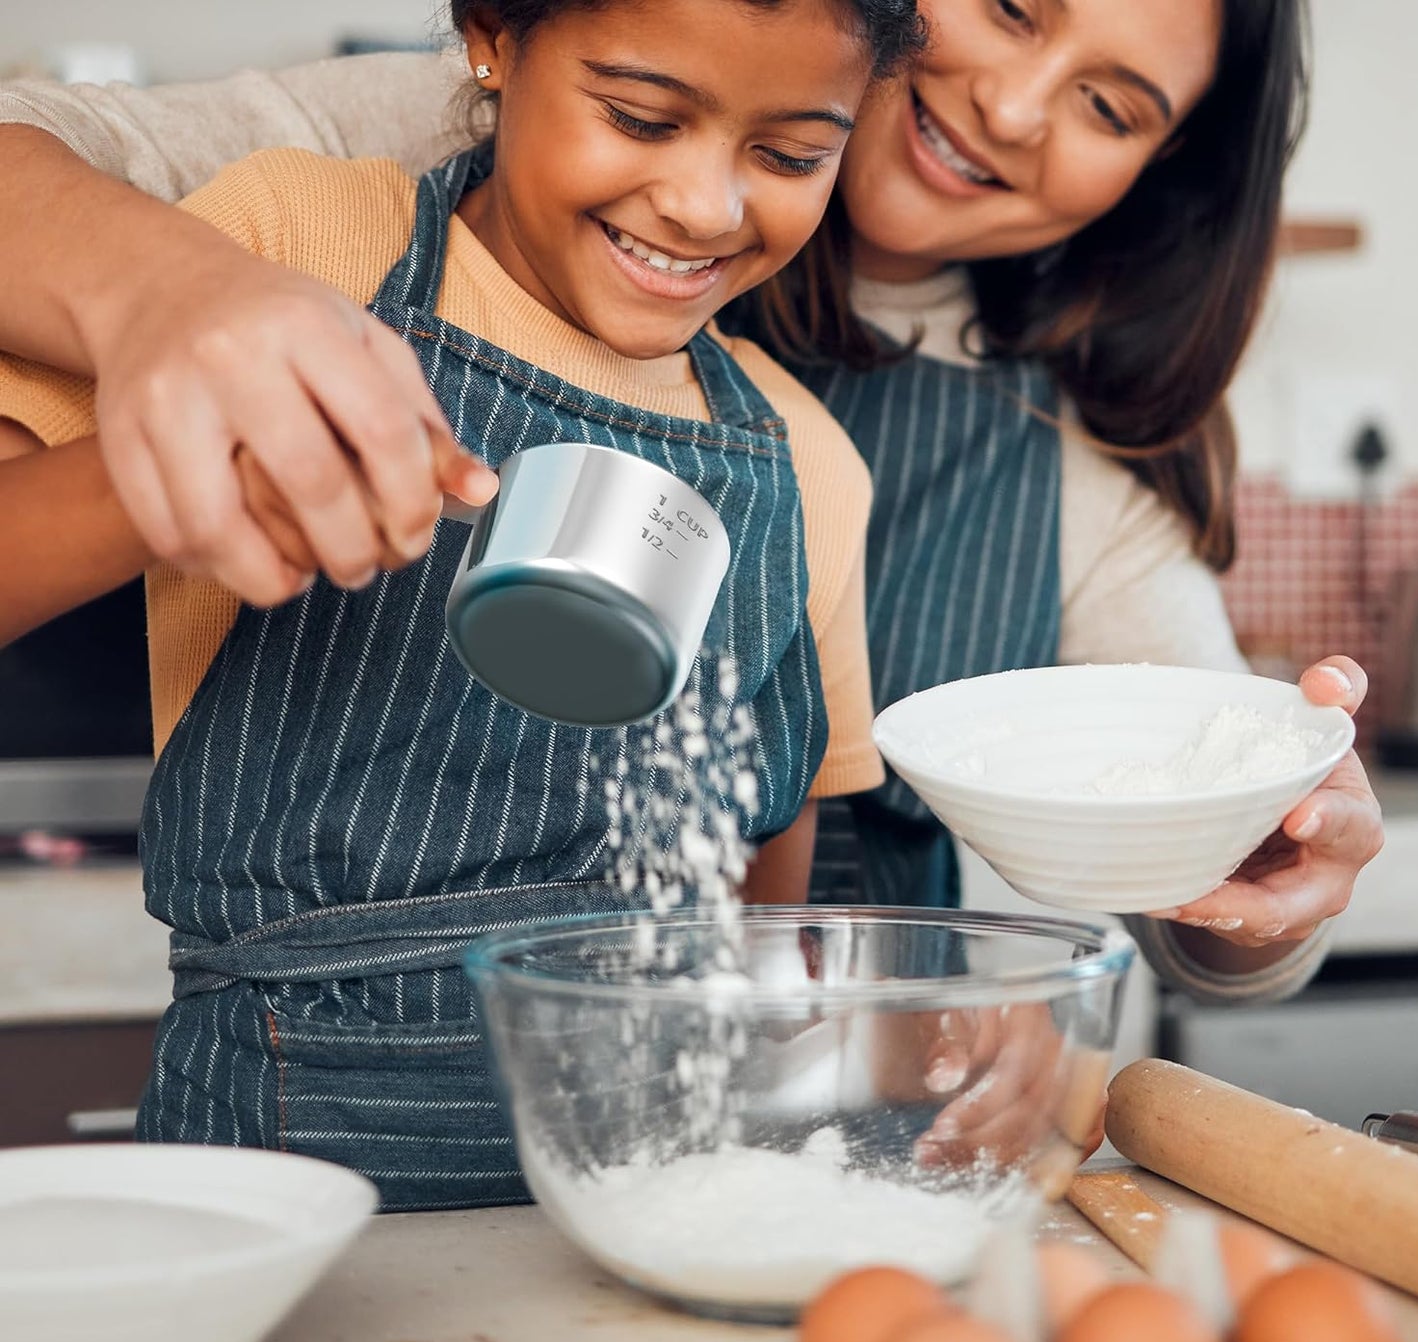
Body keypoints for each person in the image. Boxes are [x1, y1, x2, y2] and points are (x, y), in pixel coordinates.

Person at [0, 0, 1383, 1140]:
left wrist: (1246, 856)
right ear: (496, 46)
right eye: (1014, 8)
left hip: (690, 1153)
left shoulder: (823, 462)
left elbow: (767, 938)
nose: (1015, 108)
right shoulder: (332, 217)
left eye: (1111, 106)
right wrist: (184, 341)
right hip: (269, 1112)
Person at [0, 0, 931, 1209]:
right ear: (490, 34)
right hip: (278, 1162)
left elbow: (766, 864)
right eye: (640, 116)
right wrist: (183, 474)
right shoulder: (292, 247)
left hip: (634, 1197)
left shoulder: (803, 464)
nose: (706, 204)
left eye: (792, 155)